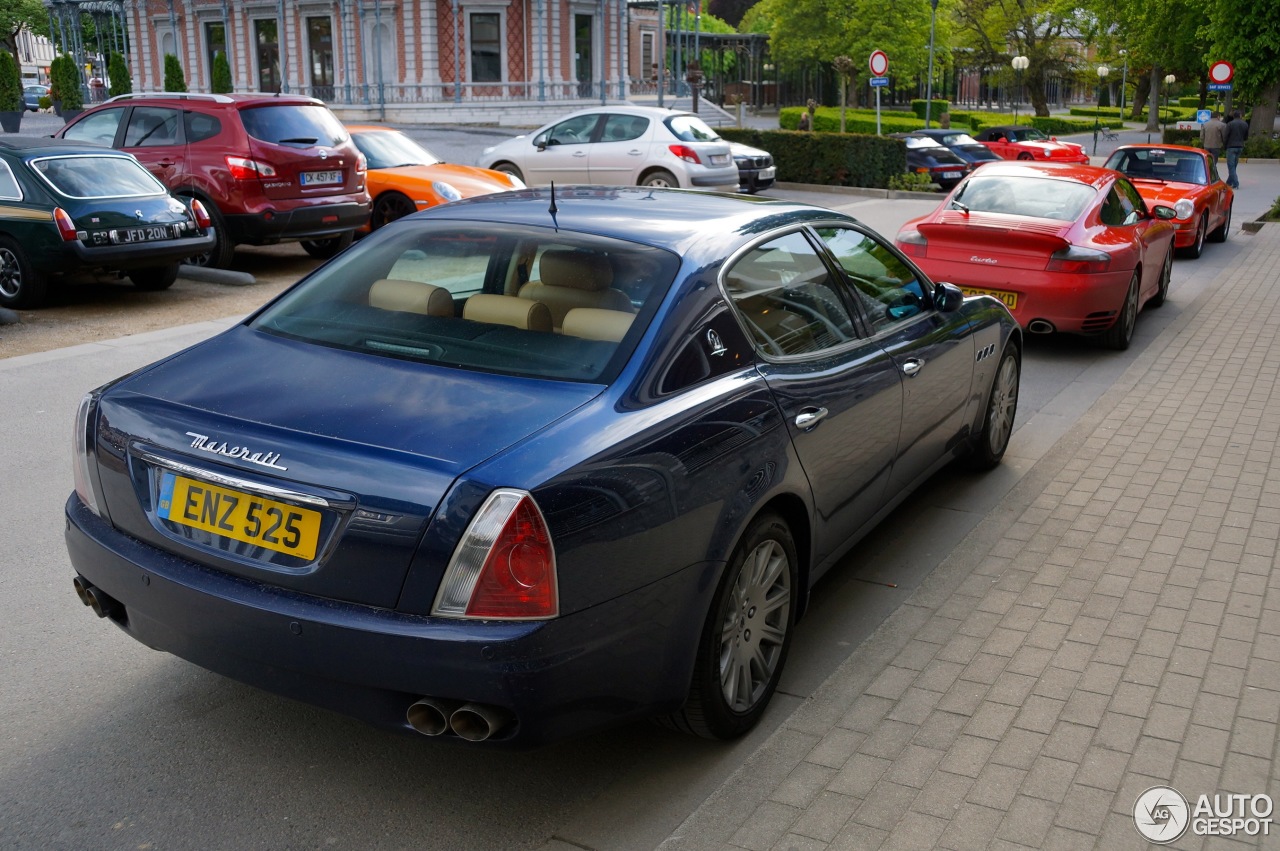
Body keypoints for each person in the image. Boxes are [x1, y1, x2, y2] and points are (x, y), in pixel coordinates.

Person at [1223, 109, 1249, 189]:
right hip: (1240, 146)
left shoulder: (1230, 124)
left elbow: (1226, 136)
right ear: (1240, 116)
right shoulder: (1245, 124)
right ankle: (1228, 182)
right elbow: (1246, 137)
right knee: (1234, 165)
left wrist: (1225, 145)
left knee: (1231, 166)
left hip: (1231, 146)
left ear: (1233, 116)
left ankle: (1235, 183)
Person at [1201, 111, 1227, 179]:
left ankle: (1206, 176)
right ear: (1218, 116)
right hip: (1216, 146)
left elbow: (1201, 136)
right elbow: (1224, 136)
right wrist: (1223, 144)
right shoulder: (1222, 125)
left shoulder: (1205, 124)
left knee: (1207, 162)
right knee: (1214, 162)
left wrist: (1204, 143)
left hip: (1206, 146)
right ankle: (1213, 177)